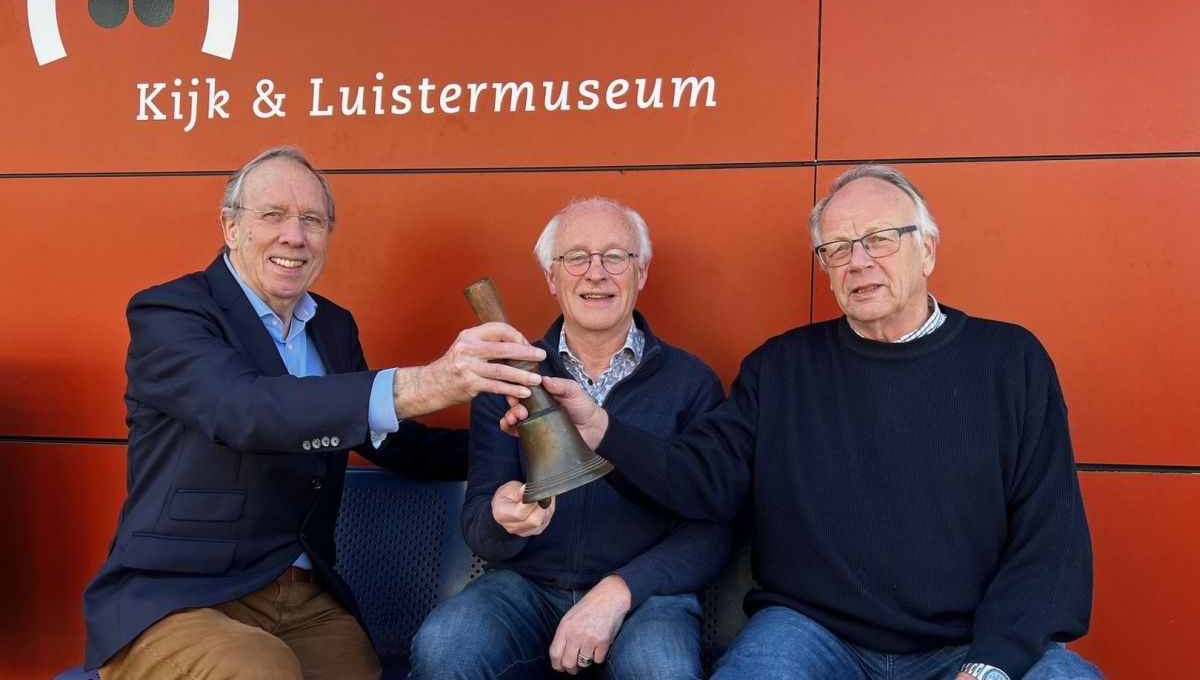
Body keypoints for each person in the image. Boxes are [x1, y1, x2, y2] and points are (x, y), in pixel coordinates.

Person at [509, 166, 1103, 680]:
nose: (859, 262)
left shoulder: (1010, 361)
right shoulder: (780, 368)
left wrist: (991, 665)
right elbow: (703, 479)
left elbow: (1049, 542)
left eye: (879, 239)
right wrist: (599, 428)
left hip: (969, 642)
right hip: (812, 635)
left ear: (926, 250)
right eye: (837, 248)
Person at [83, 147, 548, 680]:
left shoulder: (332, 326)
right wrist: (430, 382)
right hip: (179, 599)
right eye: (273, 215)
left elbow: (390, 441)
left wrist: (516, 449)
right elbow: (244, 410)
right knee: (261, 670)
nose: (294, 236)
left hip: (305, 601)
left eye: (312, 220)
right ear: (231, 228)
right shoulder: (171, 312)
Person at [410, 198, 731, 680]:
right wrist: (501, 518)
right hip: (526, 588)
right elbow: (480, 524)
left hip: (645, 597)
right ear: (551, 277)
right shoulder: (509, 379)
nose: (595, 273)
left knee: (660, 669)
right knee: (445, 645)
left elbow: (711, 529)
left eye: (615, 256)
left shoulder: (692, 384)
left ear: (641, 272)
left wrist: (618, 590)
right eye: (576, 257)